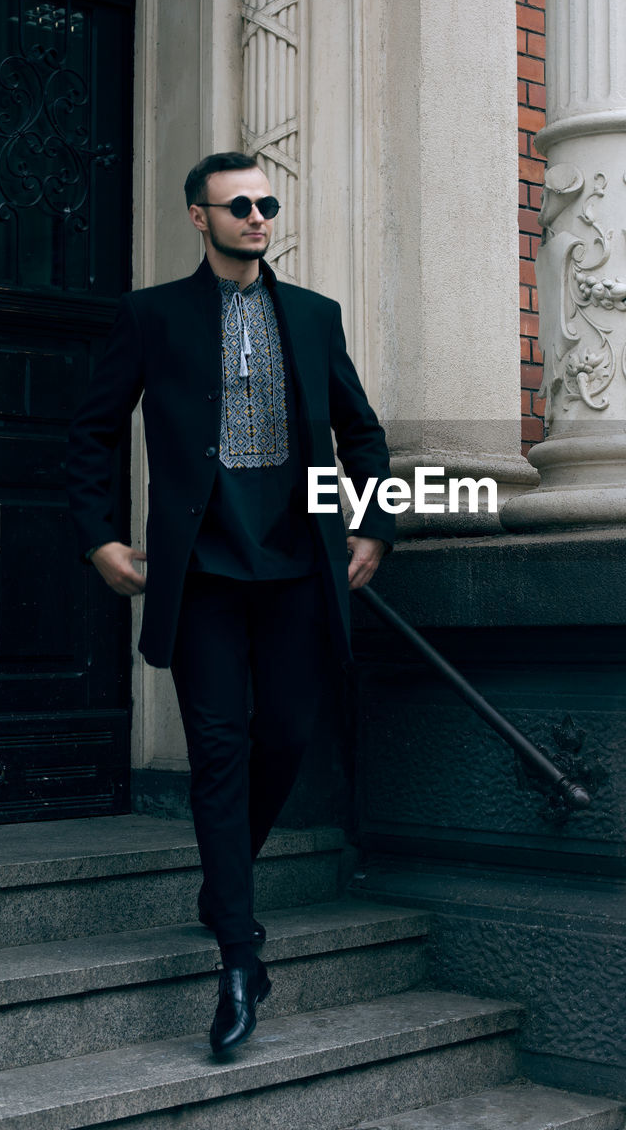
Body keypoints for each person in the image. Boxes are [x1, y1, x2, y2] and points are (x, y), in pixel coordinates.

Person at [67, 151, 393, 1056]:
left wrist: (372, 527)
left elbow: (361, 429)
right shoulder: (151, 316)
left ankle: (224, 884)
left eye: (267, 203)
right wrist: (99, 537)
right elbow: (92, 431)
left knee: (286, 735)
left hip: (295, 565)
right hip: (202, 571)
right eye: (238, 205)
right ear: (197, 218)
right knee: (217, 750)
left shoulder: (313, 316)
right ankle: (239, 955)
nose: (257, 217)